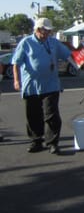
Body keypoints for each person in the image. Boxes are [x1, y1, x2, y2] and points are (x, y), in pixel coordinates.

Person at [11, 18, 74, 154]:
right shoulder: (26, 42)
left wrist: (80, 55)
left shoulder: (53, 42)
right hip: (31, 85)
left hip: (51, 85)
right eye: (45, 31)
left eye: (49, 31)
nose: (47, 34)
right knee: (33, 115)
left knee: (51, 115)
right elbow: (16, 63)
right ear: (37, 29)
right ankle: (36, 141)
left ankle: (52, 143)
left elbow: (68, 54)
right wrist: (16, 80)